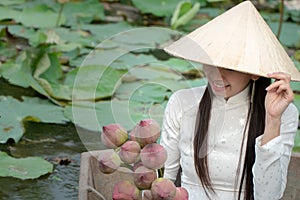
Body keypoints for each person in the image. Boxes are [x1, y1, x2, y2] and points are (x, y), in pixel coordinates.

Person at [160, 1, 300, 200]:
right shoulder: (182, 102)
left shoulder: (284, 114)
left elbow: (269, 196)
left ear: (254, 73)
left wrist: (273, 120)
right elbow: (162, 180)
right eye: (211, 63)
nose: (217, 75)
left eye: (230, 67)